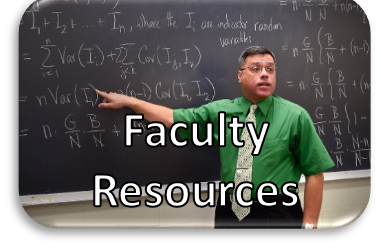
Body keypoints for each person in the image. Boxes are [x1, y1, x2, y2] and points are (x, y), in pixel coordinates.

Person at [95, 45, 335, 229]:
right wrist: (129, 102)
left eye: (270, 69)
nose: (265, 75)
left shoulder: (295, 116)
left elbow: (315, 172)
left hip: (277, 212)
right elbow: (171, 118)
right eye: (256, 68)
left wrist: (310, 224)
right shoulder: (221, 111)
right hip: (230, 209)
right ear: (240, 76)